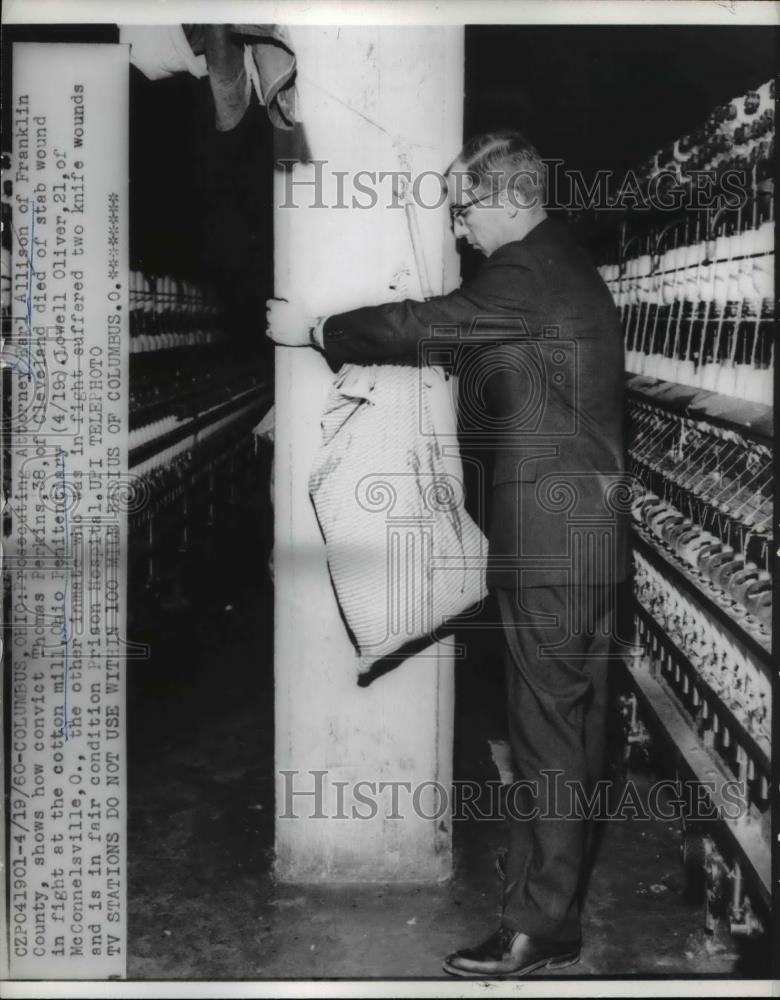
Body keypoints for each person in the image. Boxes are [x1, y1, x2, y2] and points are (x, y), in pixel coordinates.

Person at [266, 130, 629, 978]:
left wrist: (315, 326)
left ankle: (536, 929)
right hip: (584, 535)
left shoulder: (525, 272)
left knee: (546, 737)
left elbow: (428, 323)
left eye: (464, 209)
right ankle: (554, 913)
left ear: (506, 199)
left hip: (550, 542)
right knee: (569, 730)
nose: (460, 228)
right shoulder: (561, 266)